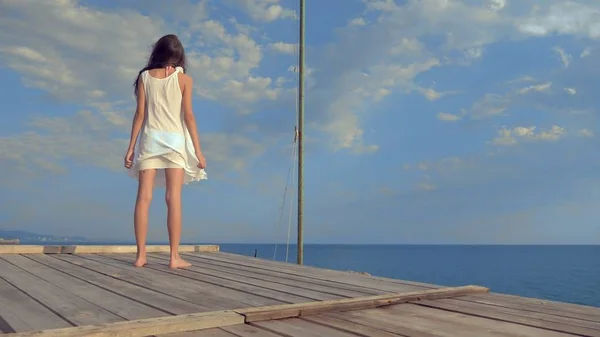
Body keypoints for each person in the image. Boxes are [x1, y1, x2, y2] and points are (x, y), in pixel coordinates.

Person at [124, 34, 207, 269]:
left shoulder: (144, 77)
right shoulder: (184, 80)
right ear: (179, 56)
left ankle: (140, 256)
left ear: (157, 52)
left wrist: (130, 147)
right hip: (175, 142)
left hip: (150, 140)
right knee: (173, 198)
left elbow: (140, 115)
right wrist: (199, 151)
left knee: (143, 198)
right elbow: (189, 116)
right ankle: (174, 257)